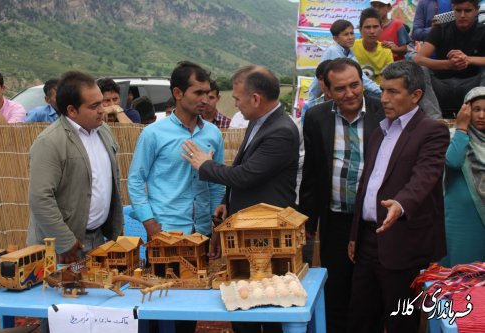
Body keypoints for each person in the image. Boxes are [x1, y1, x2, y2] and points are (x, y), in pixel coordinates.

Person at [182, 65, 300, 333]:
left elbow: (246, 175)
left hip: (265, 231)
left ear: (256, 98)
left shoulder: (280, 130)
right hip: (246, 224)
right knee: (244, 301)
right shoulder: (260, 122)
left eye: (237, 98)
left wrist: (205, 165)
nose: (234, 103)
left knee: (267, 303)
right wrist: (227, 200)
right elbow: (244, 166)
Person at [347, 61, 450, 333]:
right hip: (369, 239)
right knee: (361, 316)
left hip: (404, 243)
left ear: (415, 95)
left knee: (400, 320)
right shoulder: (380, 130)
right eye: (382, 90)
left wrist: (401, 203)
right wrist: (356, 233)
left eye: (393, 92)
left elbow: (425, 177)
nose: (384, 99)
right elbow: (367, 185)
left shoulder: (431, 131)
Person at [299, 58, 385, 333]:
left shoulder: (383, 112)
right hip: (335, 219)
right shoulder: (316, 117)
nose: (349, 94)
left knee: (371, 290)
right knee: (335, 287)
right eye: (340, 89)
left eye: (354, 85)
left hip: (375, 221)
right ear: (327, 90)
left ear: (362, 83)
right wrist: (309, 221)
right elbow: (312, 172)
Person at [27, 71, 123, 263]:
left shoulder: (104, 131)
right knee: (63, 291)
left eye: (102, 103)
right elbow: (40, 198)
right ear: (72, 110)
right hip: (61, 247)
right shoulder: (50, 142)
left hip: (97, 239)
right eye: (94, 106)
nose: (102, 110)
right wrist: (65, 241)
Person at [128, 61, 225, 239]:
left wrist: (215, 226)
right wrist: (149, 222)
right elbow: (136, 180)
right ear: (178, 93)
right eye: (198, 93)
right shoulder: (153, 134)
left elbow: (217, 184)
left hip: (203, 232)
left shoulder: (213, 134)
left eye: (207, 93)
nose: (205, 100)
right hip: (165, 230)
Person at [414, 0, 485, 118]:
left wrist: (467, 59)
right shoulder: (440, 28)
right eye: (458, 10)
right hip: (441, 84)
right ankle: (435, 119)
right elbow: (419, 59)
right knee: (419, 70)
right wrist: (448, 64)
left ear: (476, 10)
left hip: (471, 84)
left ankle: (480, 115)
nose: (462, 15)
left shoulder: (482, 30)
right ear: (453, 9)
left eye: (467, 11)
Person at [441, 86, 485, 267]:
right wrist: (461, 128)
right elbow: (453, 162)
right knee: (461, 276)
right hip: (462, 220)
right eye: (476, 110)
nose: (482, 115)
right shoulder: (456, 137)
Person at [305, 19, 381, 108]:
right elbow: (362, 80)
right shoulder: (334, 51)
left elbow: (361, 76)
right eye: (346, 34)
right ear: (335, 38)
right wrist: (381, 91)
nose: (350, 37)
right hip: (330, 95)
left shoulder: (349, 52)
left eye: (352, 33)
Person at [353, 8, 394, 85]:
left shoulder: (386, 51)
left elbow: (389, 79)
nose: (372, 31)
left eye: (375, 27)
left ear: (381, 28)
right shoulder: (351, 47)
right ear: (360, 29)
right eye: (367, 27)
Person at [301, 60, 332, 126]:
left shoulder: (346, 105)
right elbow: (306, 133)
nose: (325, 82)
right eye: (321, 79)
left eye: (327, 78)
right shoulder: (309, 107)